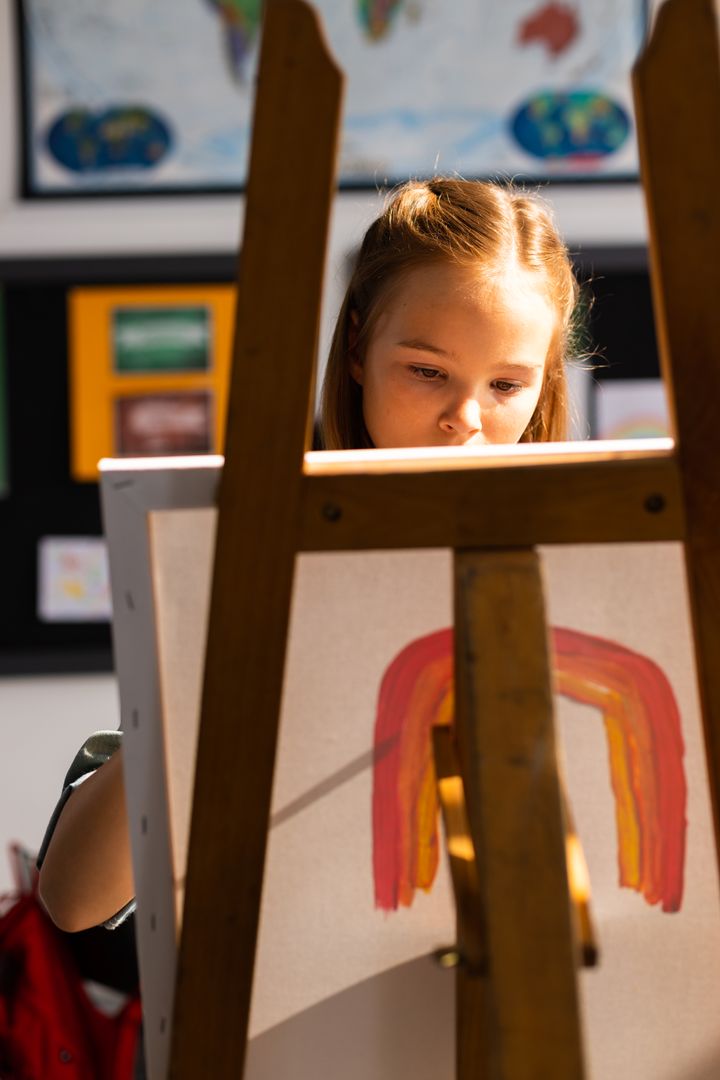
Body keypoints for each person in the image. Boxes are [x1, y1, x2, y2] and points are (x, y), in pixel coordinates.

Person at [37, 177, 581, 933]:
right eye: (427, 371)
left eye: (506, 384)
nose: (465, 418)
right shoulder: (252, 542)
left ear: (544, 379)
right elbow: (73, 898)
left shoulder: (601, 559)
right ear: (358, 349)